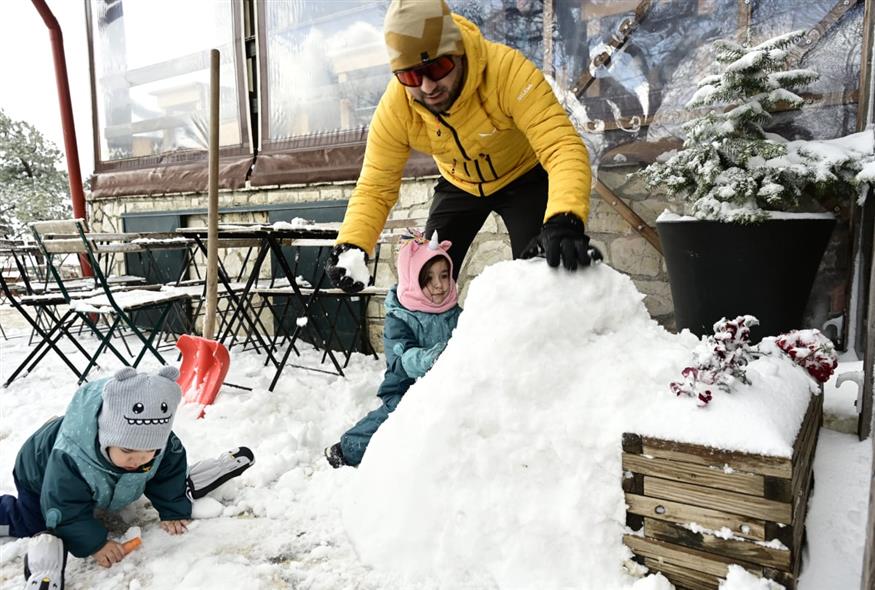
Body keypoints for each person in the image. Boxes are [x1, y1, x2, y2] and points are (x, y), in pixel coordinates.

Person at [326, 0, 599, 294]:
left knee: (543, 274)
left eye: (438, 67)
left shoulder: (506, 71)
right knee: (423, 280)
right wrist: (352, 244)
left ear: (458, 52)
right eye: (411, 76)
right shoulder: (396, 107)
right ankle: (435, 341)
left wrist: (564, 218)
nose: (428, 86)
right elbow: (375, 185)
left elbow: (561, 146)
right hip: (460, 183)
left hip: (522, 176)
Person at [0, 366, 255, 589]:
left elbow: (167, 472)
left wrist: (172, 509)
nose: (139, 459)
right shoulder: (70, 457)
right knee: (36, 522)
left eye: (150, 452)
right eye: (128, 451)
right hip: (40, 475)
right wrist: (95, 544)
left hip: (94, 473)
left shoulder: (157, 443)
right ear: (106, 439)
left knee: (137, 470)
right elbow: (62, 504)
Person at [325, 231, 462, 468]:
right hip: (405, 387)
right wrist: (432, 357)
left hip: (447, 386)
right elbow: (401, 359)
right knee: (396, 417)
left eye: (444, 275)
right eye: (428, 279)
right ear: (412, 280)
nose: (439, 285)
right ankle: (347, 448)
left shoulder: (455, 312)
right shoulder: (399, 317)